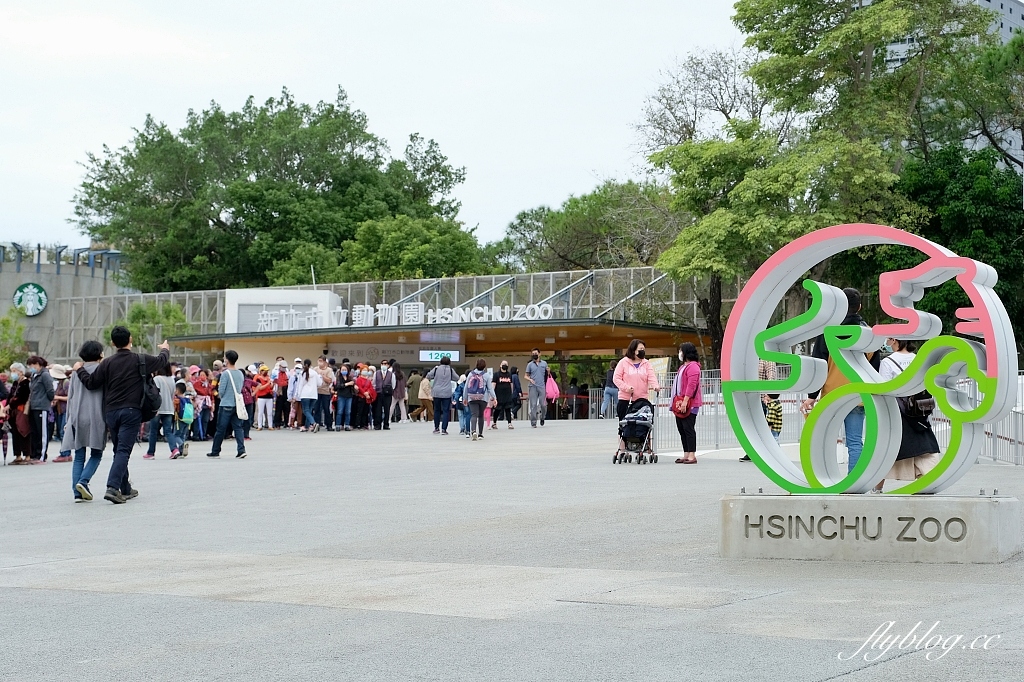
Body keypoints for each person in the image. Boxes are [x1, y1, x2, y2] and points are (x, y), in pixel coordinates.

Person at [74, 326, 170, 503]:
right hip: (131, 411)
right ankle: (112, 487)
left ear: (112, 343)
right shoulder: (140, 359)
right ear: (130, 339)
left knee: (120, 450)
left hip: (111, 412)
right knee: (123, 450)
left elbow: (91, 383)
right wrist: (165, 348)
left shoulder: (107, 363)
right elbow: (161, 361)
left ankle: (125, 488)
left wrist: (79, 369)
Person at [800, 288, 881, 473]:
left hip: (831, 396)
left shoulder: (828, 333)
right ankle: (854, 485)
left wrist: (812, 395)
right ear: (859, 307)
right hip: (857, 397)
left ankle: (824, 478)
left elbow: (818, 366)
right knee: (854, 442)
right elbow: (874, 369)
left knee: (824, 440)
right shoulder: (869, 334)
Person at [872, 338, 941, 492]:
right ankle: (925, 479)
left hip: (898, 412)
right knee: (922, 447)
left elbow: (884, 389)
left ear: (895, 340)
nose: (886, 342)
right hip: (918, 410)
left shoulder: (888, 362)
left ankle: (877, 488)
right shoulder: (917, 359)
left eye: (888, 338)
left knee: (887, 450)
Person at [62, 340, 107, 500]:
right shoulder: (103, 370)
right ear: (99, 354)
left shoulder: (76, 372)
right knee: (96, 453)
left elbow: (71, 397)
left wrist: (68, 420)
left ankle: (77, 493)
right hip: (97, 416)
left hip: (77, 416)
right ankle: (83, 481)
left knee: (79, 455)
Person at [205, 350, 247, 458]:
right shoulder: (240, 373)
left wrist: (220, 395)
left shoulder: (225, 374)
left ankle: (215, 450)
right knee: (238, 428)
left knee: (220, 428)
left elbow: (221, 391)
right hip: (237, 405)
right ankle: (241, 450)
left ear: (227, 360)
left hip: (226, 404)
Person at [612, 339, 661, 421]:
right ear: (633, 350)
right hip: (626, 399)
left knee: (643, 425)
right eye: (640, 349)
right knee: (624, 425)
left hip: (642, 400)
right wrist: (626, 388)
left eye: (644, 350)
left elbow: (651, 376)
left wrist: (655, 386)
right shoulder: (623, 362)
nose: (642, 351)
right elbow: (616, 378)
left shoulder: (646, 363)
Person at [672, 342, 702, 464]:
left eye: (681, 351)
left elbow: (691, 385)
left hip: (690, 403)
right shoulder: (683, 367)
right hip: (680, 401)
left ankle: (692, 455)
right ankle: (686, 453)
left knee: (688, 428)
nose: (679, 353)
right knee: (681, 428)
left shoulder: (693, 367)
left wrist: (685, 401)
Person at [144, 364, 180, 459]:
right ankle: (174, 449)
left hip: (158, 409)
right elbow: (173, 394)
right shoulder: (171, 379)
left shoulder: (156, 379)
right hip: (169, 408)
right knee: (168, 431)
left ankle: (151, 453)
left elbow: (154, 394)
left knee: (153, 431)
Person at [25, 356, 55, 463]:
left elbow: (50, 390)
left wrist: (49, 400)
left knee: (42, 432)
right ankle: (34, 454)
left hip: (42, 406)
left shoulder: (45, 375)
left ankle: (42, 455)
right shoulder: (34, 375)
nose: (31, 368)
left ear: (37, 364)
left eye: (32, 365)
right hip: (33, 406)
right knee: (34, 432)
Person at [463, 359, 496, 441]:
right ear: (484, 366)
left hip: (472, 398)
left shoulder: (471, 374)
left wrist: (465, 398)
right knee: (481, 415)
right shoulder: (486, 375)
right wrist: (494, 398)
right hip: (483, 398)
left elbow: (466, 387)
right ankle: (480, 434)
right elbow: (490, 388)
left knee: (473, 415)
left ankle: (473, 431)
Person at [426, 356, 458, 435]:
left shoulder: (436, 369)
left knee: (436, 410)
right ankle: (444, 429)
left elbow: (428, 376)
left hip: (437, 392)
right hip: (447, 393)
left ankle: (436, 428)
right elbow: (457, 378)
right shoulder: (450, 370)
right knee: (446, 411)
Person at [7, 363, 31, 464]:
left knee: (23, 431)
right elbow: (10, 395)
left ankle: (27, 455)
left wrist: (10, 405)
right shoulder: (15, 383)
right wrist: (8, 405)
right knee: (15, 433)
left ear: (20, 372)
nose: (12, 373)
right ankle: (18, 455)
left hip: (21, 410)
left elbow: (22, 398)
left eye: (14, 371)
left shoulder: (26, 383)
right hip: (13, 412)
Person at [293, 359, 323, 433]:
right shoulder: (315, 373)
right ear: (310, 364)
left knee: (306, 410)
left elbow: (300, 385)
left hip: (305, 394)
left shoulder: (302, 373)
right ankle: (306, 426)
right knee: (309, 410)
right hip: (314, 395)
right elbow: (319, 383)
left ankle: (313, 423)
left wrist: (298, 395)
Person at [50, 364, 70, 461]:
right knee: (61, 431)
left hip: (66, 410)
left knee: (64, 432)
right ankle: (63, 452)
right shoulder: (59, 383)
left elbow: (70, 397)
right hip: (60, 410)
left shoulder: (66, 383)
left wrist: (57, 398)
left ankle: (65, 453)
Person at [525, 349, 548, 428]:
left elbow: (547, 375)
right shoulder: (530, 364)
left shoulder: (544, 363)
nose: (534, 355)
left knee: (543, 404)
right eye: (533, 353)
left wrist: (548, 371)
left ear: (539, 354)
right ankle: (533, 422)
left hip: (542, 386)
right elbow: (526, 375)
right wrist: (530, 379)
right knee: (533, 404)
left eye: (535, 353)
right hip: (533, 386)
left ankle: (542, 417)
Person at [172, 380, 193, 458]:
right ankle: (181, 451)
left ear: (177, 390)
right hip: (188, 420)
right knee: (182, 435)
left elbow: (175, 408)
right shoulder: (188, 399)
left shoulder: (177, 399)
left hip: (179, 419)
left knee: (176, 435)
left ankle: (182, 445)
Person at [373, 360, 396, 430]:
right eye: (382, 364)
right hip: (378, 393)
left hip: (387, 394)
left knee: (387, 409)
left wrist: (390, 390)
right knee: (378, 410)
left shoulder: (391, 374)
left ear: (388, 365)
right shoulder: (376, 373)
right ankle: (378, 424)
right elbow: (374, 383)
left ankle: (386, 424)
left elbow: (393, 384)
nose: (384, 365)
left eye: (385, 364)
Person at [314, 356, 335, 430]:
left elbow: (329, 380)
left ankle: (328, 425)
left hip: (325, 392)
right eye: (318, 360)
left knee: (326, 409)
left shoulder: (329, 370)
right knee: (316, 409)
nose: (319, 362)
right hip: (316, 392)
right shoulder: (315, 369)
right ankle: (317, 424)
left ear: (325, 362)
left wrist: (322, 376)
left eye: (321, 361)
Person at [491, 361, 514, 429]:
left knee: (508, 409)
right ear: (500, 365)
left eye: (506, 364)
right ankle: (494, 423)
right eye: (503, 364)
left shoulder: (509, 374)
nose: (505, 365)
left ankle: (509, 423)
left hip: (507, 395)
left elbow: (511, 384)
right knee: (497, 410)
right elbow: (493, 384)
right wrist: (493, 395)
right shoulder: (496, 374)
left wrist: (511, 393)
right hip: (499, 395)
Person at [334, 363, 355, 431]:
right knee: (340, 411)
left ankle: (347, 425)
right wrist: (347, 384)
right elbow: (338, 386)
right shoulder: (339, 378)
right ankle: (338, 425)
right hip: (341, 396)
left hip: (349, 396)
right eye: (342, 369)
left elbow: (353, 386)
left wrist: (354, 385)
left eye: (345, 369)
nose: (344, 371)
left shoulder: (350, 378)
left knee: (348, 411)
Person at [254, 365, 274, 430]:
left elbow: (271, 387)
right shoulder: (258, 378)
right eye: (265, 370)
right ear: (261, 371)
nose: (266, 372)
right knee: (260, 412)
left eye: (267, 371)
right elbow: (260, 388)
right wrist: (268, 383)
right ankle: (259, 426)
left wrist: (272, 384)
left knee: (270, 412)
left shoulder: (269, 378)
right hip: (261, 397)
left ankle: (270, 425)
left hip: (269, 397)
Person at [272, 359, 290, 428]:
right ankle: (277, 423)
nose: (284, 369)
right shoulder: (275, 372)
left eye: (285, 367)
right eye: (283, 367)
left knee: (286, 408)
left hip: (286, 389)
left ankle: (286, 422)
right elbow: (273, 382)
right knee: (278, 408)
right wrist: (276, 391)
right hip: (279, 390)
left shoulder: (287, 373)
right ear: (280, 366)